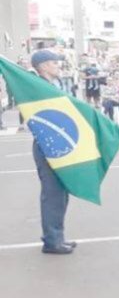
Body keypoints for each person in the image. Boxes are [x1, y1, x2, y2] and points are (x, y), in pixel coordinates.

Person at [26, 50, 76, 254]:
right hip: (47, 145)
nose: (58, 66)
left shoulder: (52, 85)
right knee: (53, 194)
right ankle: (52, 240)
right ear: (44, 66)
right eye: (55, 62)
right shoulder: (38, 87)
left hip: (58, 144)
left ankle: (57, 236)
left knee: (62, 193)